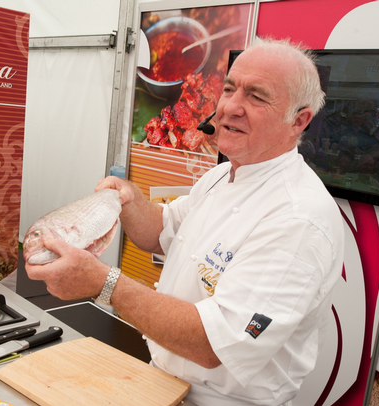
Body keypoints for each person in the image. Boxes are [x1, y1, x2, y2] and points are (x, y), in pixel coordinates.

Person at [25, 38, 345, 406]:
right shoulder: (222, 176)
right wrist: (126, 200)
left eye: (257, 96)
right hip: (162, 385)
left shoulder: (299, 218)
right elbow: (162, 230)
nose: (230, 107)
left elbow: (214, 342)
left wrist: (103, 282)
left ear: (299, 120)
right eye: (229, 88)